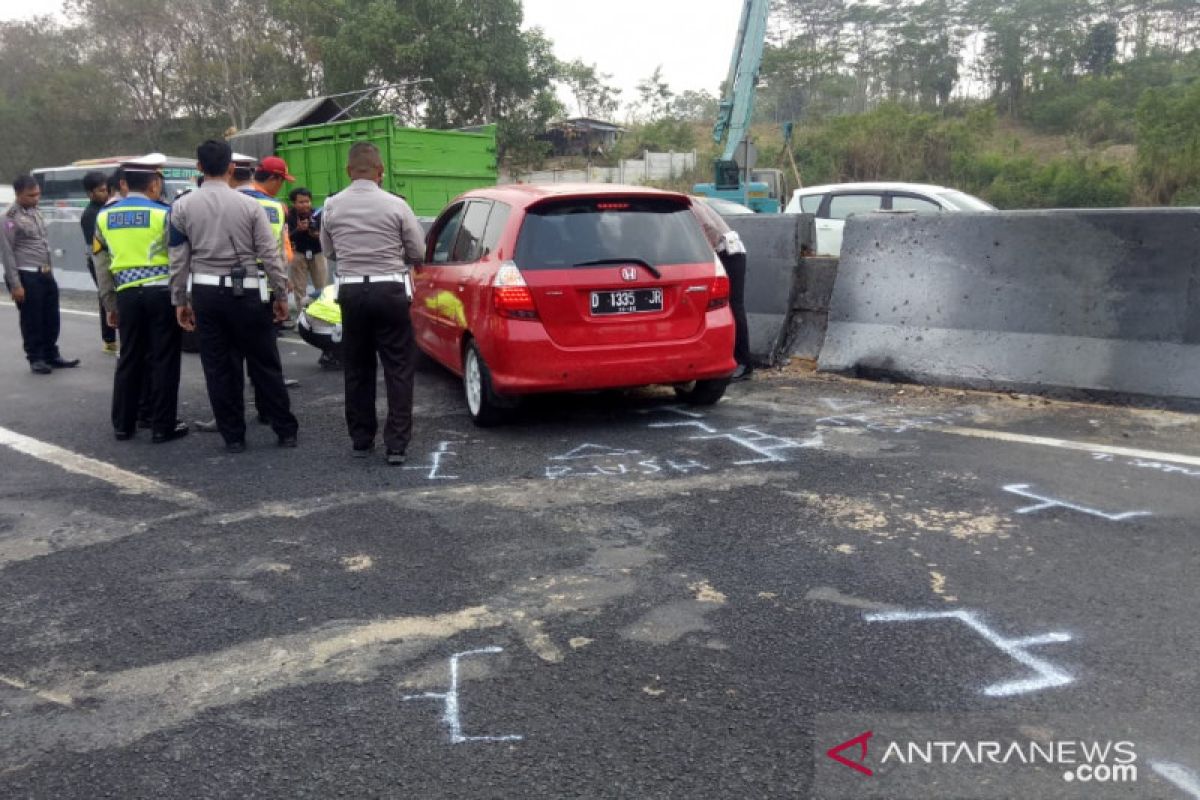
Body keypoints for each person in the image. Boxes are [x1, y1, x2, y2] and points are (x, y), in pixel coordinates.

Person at [168, 139, 298, 453]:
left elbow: (177, 258)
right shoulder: (252, 206)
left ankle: (234, 436)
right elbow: (269, 255)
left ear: (199, 167)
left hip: (206, 294)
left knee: (219, 367)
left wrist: (180, 300)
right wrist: (281, 293)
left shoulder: (181, 207)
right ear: (230, 168)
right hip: (249, 292)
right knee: (265, 362)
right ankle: (284, 430)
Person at [319, 141, 424, 464]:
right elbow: (417, 251)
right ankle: (396, 444)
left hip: (351, 292)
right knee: (398, 367)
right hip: (390, 290)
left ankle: (362, 439)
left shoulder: (332, 205)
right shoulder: (396, 205)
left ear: (349, 171)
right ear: (381, 172)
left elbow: (329, 251)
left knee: (358, 367)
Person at [92, 155, 187, 443]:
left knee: (129, 358)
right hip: (161, 293)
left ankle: (123, 424)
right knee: (164, 359)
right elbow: (178, 258)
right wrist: (183, 297)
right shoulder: (165, 213)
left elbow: (101, 263)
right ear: (154, 183)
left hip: (127, 295)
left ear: (124, 184)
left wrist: (110, 303)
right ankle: (162, 426)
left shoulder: (104, 216)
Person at [1, 174, 79, 374]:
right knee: (32, 319)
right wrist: (16, 284)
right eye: (30, 196)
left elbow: (42, 243)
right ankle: (36, 357)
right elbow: (7, 253)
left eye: (37, 195)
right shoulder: (9, 218)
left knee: (51, 317)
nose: (36, 199)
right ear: (18, 194)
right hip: (26, 275)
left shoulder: (36, 212)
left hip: (44, 272)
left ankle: (51, 354)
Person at [690, 198, 752, 380]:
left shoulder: (687, 205)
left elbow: (708, 228)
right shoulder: (686, 202)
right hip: (725, 251)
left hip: (728, 253)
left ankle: (744, 362)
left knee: (733, 306)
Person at [80, 171, 118, 353]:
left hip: (110, 258)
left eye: (107, 189)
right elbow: (96, 246)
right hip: (97, 259)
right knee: (106, 295)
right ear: (91, 193)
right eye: (102, 190)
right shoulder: (91, 214)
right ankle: (109, 339)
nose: (106, 193)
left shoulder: (108, 208)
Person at [286, 187, 327, 314]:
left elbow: (326, 234)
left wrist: (316, 234)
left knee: (322, 287)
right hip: (298, 252)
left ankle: (323, 315)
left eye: (307, 201)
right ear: (294, 203)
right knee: (299, 288)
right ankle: (302, 317)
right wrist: (298, 229)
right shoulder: (289, 216)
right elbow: (285, 237)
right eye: (301, 202)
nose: (305, 205)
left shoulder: (318, 213)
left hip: (318, 252)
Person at [296, 284, 342, 369]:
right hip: (330, 335)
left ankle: (329, 353)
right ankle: (335, 356)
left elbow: (303, 301)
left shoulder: (330, 288)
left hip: (304, 328)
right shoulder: (359, 294)